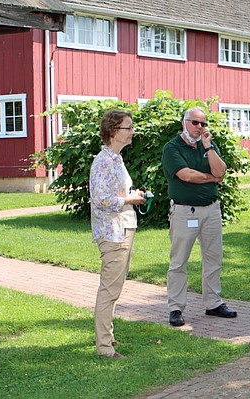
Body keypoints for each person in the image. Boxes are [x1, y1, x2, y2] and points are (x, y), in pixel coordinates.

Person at [162, 107, 237, 327]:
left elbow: (221, 171)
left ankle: (213, 303)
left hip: (211, 210)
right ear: (184, 122)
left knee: (214, 258)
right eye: (195, 123)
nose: (200, 127)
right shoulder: (172, 148)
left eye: (203, 124)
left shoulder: (208, 145)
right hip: (185, 211)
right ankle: (176, 307)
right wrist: (211, 178)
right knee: (179, 261)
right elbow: (186, 175)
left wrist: (208, 147)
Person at [90, 109, 146, 358]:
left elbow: (115, 192)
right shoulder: (103, 161)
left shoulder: (116, 159)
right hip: (112, 233)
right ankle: (104, 348)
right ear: (113, 131)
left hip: (122, 228)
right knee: (109, 290)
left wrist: (132, 195)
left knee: (115, 288)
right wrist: (130, 199)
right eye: (128, 127)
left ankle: (108, 337)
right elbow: (100, 199)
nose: (132, 131)